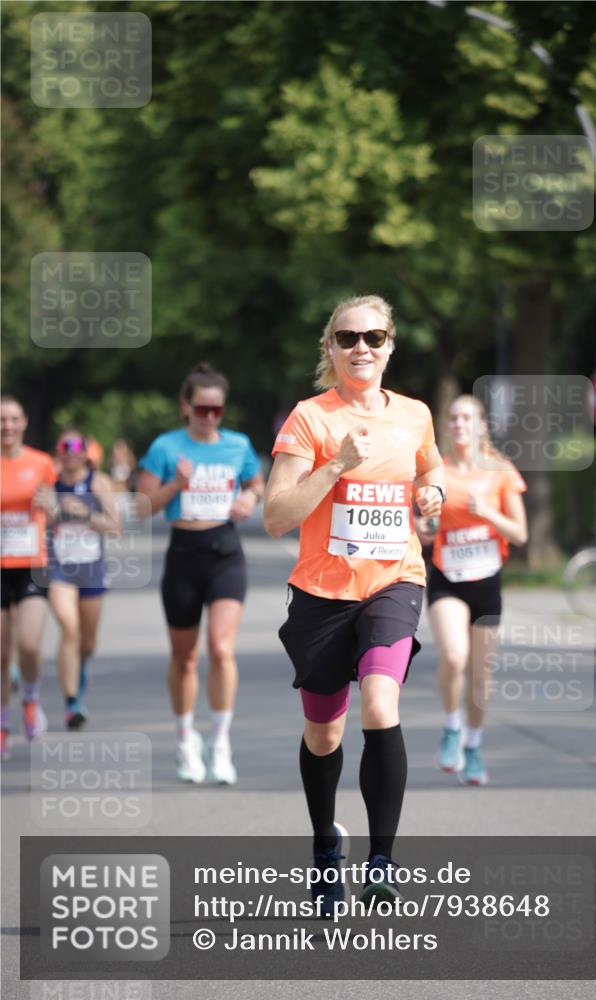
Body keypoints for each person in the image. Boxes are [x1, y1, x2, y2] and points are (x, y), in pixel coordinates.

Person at [264, 295, 445, 914]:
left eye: (373, 336)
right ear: (331, 348)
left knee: (380, 703)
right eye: (347, 338)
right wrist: (337, 465)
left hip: (394, 582)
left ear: (390, 344)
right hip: (322, 594)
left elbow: (431, 472)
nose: (361, 347)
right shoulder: (309, 419)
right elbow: (276, 516)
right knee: (323, 733)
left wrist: (434, 494)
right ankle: (324, 846)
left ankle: (382, 862)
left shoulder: (415, 414)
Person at [136, 362, 264, 785]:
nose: (209, 417)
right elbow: (141, 506)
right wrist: (176, 484)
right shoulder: (166, 447)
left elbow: (256, 484)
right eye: (202, 409)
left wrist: (249, 499)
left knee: (222, 650)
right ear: (185, 407)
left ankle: (221, 740)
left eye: (217, 410)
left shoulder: (238, 444)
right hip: (183, 555)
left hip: (225, 552)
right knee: (185, 657)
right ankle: (184, 738)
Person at [417, 394, 527, 786]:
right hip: (447, 577)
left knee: (480, 676)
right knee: (453, 656)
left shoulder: (501, 472)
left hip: (486, 580)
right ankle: (452, 728)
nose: (459, 424)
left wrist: (489, 512)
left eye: (467, 418)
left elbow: (520, 533)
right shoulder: (438, 473)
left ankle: (474, 746)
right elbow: (424, 529)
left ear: (481, 426)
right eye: (453, 418)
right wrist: (425, 527)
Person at [43, 430, 120, 729]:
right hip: (58, 567)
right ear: (58, 452)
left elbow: (115, 527)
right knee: (69, 628)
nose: (71, 451)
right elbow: (37, 522)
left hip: (91, 567)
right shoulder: (49, 484)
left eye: (77, 446)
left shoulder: (97, 483)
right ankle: (71, 702)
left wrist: (83, 513)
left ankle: (81, 669)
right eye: (65, 446)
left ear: (86, 452)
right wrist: (48, 509)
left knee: (87, 641)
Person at [0, 395, 56, 758]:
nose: (7, 426)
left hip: (32, 563)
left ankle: (31, 698)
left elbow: (55, 509)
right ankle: (3, 722)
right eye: (1, 420)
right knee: (1, 652)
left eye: (13, 419)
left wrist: (51, 505)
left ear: (24, 423)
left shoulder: (41, 463)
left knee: (30, 644)